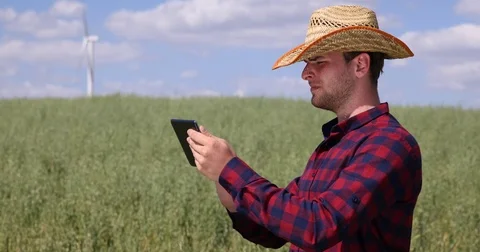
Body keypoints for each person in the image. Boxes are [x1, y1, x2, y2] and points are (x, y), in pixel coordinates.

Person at [186, 4, 422, 252]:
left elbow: (317, 226)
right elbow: (279, 230)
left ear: (360, 65)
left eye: (318, 62)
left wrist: (231, 170)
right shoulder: (334, 144)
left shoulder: (389, 144)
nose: (305, 74)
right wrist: (228, 188)